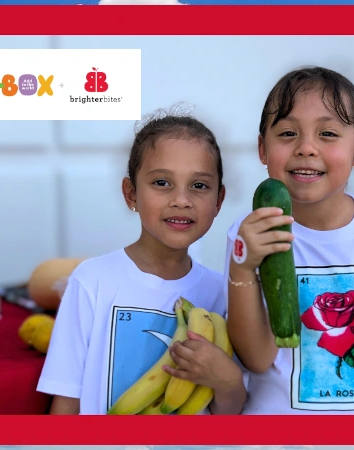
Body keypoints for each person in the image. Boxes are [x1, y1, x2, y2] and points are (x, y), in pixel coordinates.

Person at [224, 67, 354, 414]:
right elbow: (257, 359)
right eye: (288, 133)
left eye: (327, 133)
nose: (306, 148)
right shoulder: (250, 232)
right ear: (263, 150)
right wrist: (244, 264)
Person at [38, 107, 247, 415]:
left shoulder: (224, 293)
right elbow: (66, 400)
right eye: (162, 183)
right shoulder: (92, 280)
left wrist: (228, 382)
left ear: (218, 200)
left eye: (199, 185)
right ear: (131, 193)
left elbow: (228, 415)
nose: (181, 199)